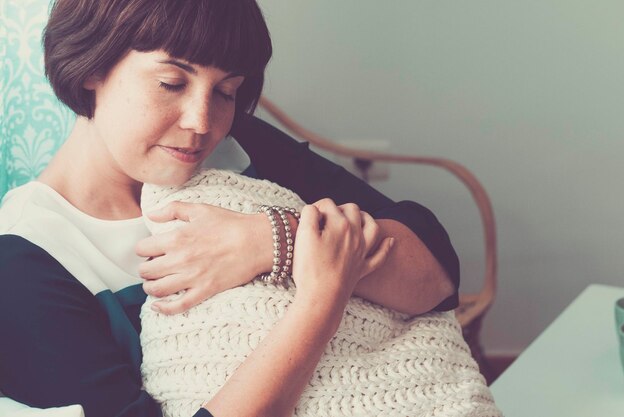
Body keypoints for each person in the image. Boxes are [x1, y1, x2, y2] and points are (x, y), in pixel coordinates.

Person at [0, 1, 459, 416]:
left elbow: (436, 277)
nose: (202, 122)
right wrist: (320, 302)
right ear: (89, 66)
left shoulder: (240, 148)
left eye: (226, 91)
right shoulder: (25, 262)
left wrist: (269, 240)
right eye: (171, 83)